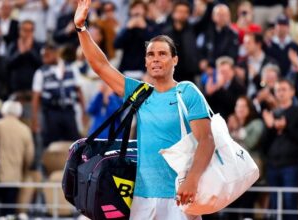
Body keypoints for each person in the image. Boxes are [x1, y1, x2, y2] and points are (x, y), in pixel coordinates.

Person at [74, 0, 215, 218]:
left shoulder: (187, 91)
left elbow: (206, 140)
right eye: (151, 55)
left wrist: (192, 180)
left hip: (180, 195)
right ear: (146, 62)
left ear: (174, 60)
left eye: (162, 54)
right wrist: (81, 28)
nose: (156, 59)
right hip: (141, 196)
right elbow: (101, 66)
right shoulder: (141, 92)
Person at [262, 79, 298, 220]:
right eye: (278, 90)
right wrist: (271, 127)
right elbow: (264, 143)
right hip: (272, 164)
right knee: (275, 206)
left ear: (292, 92)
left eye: (284, 89)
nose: (280, 93)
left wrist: (285, 127)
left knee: (290, 205)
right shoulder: (272, 113)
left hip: (291, 164)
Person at [0, 100, 34, 219]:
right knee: (9, 211)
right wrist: (24, 169)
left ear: (3, 111)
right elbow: (29, 155)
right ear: (19, 113)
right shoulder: (24, 129)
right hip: (14, 176)